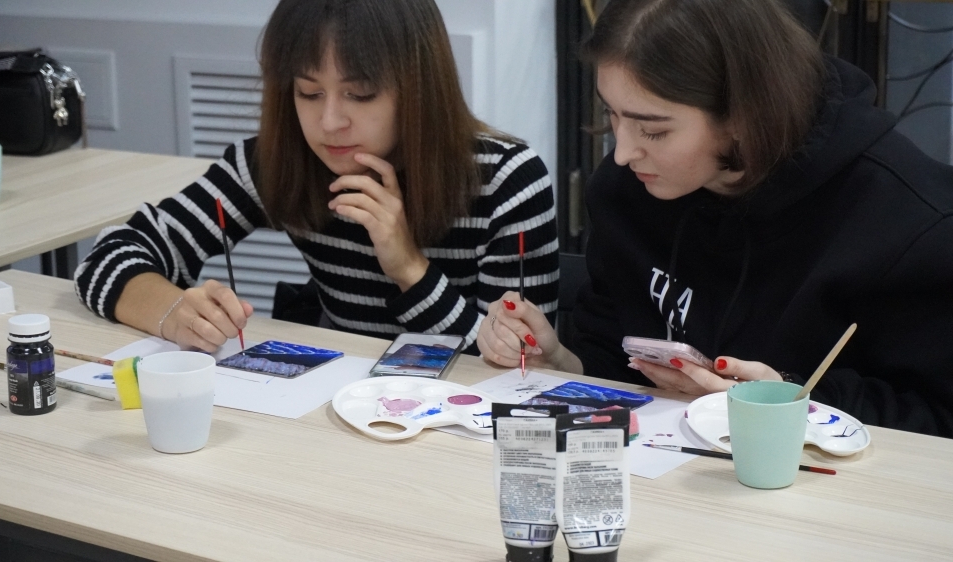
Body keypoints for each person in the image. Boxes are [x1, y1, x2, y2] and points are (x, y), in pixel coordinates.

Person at [479, 0, 953, 437]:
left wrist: (788, 401)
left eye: (653, 130)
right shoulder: (627, 191)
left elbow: (935, 417)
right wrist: (559, 362)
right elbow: (613, 358)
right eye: (613, 114)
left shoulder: (906, 219)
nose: (622, 153)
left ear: (744, 115)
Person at [75, 0, 558, 353]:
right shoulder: (281, 161)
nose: (329, 123)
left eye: (360, 94)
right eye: (308, 92)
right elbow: (108, 257)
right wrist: (173, 313)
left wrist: (409, 269)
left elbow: (522, 366)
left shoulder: (506, 180)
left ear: (419, 88)